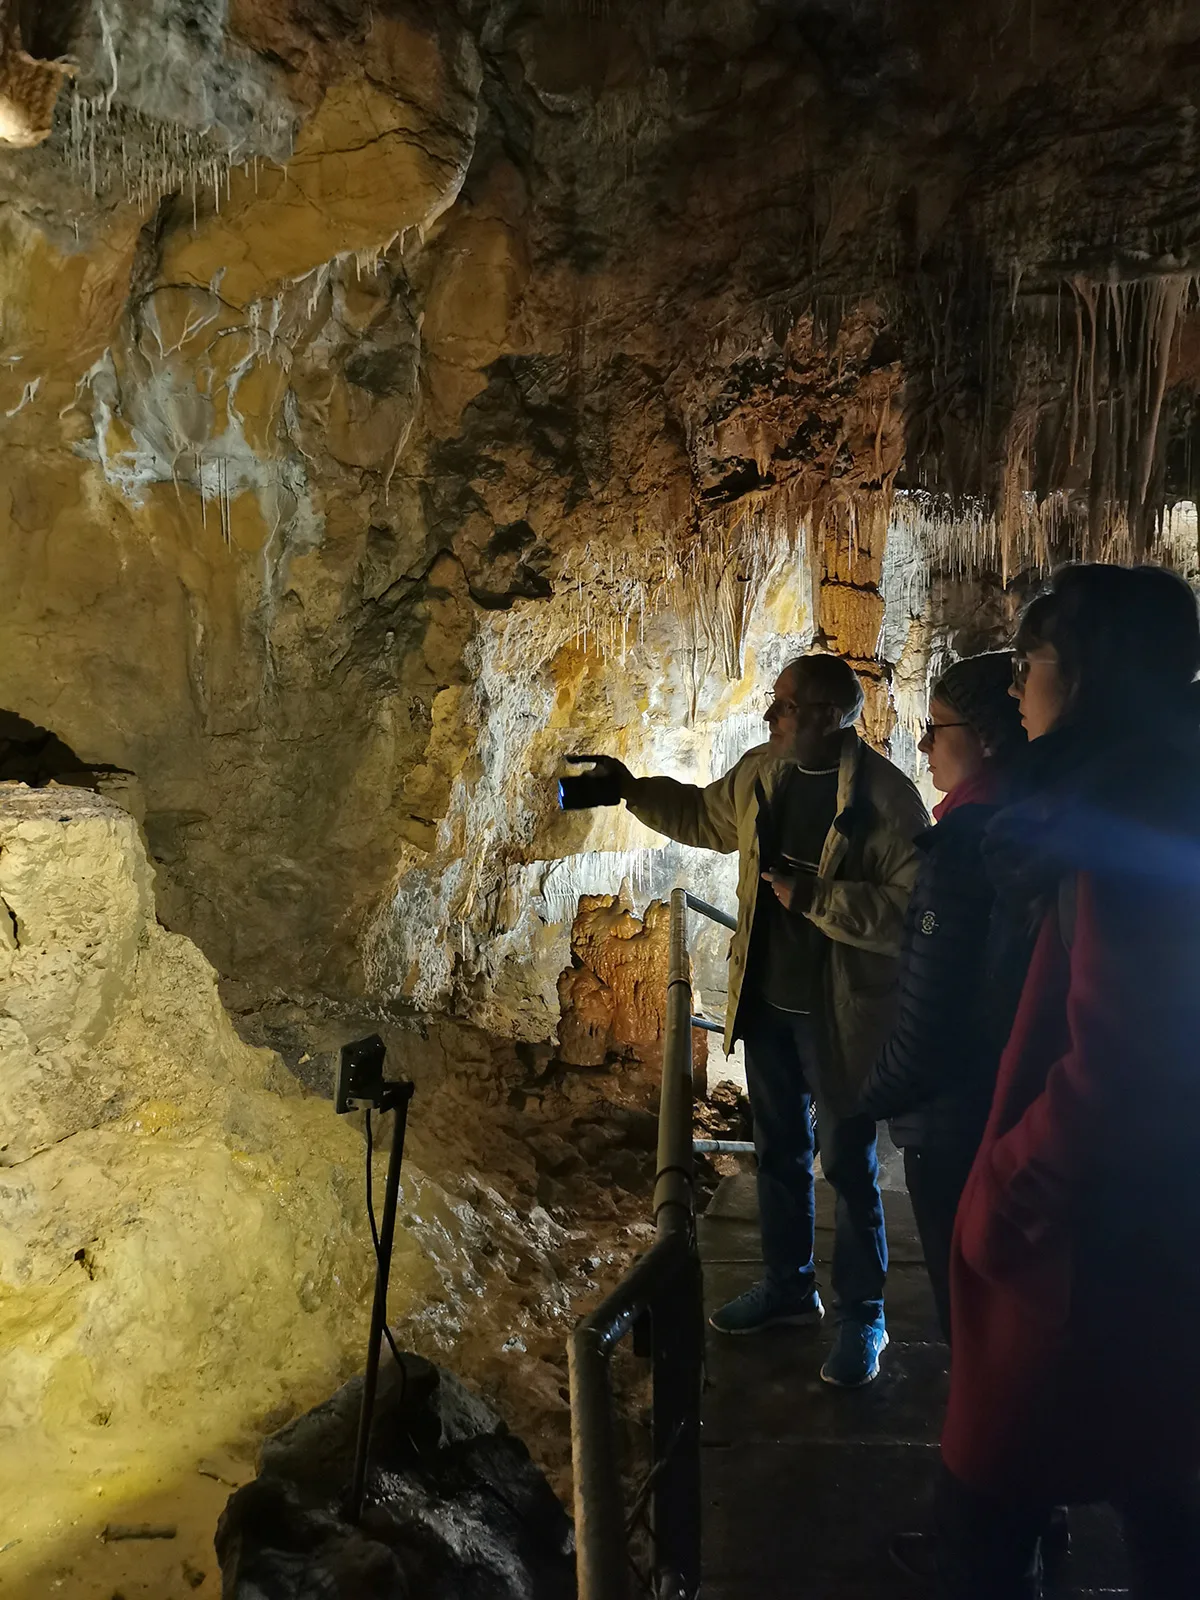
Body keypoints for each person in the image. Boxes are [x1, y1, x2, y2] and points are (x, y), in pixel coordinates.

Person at [935, 563, 1200, 1600]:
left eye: (1034, 659)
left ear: (1091, 675)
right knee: (1163, 1493)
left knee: (980, 1522)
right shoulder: (1145, 790)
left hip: (1085, 1249)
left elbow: (1126, 1061)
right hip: (1149, 1239)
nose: (1016, 686)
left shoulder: (1128, 825)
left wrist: (1009, 1187)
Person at [583, 653, 927, 1387]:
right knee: (776, 1154)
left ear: (830, 716)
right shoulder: (762, 772)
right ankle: (789, 1287)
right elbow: (707, 816)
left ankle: (864, 1312)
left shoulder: (888, 803)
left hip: (839, 1016)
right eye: (774, 703)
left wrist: (817, 901)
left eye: (786, 706)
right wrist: (630, 791)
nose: (771, 716)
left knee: (848, 1164)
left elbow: (908, 914)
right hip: (768, 1006)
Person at [859, 652, 1025, 1344]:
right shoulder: (1031, 822)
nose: (923, 745)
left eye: (936, 728)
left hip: (953, 1119)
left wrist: (873, 1095)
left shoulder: (964, 843)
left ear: (985, 736)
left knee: (969, 1311)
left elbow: (931, 1007)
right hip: (1006, 1102)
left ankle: (978, 1444)